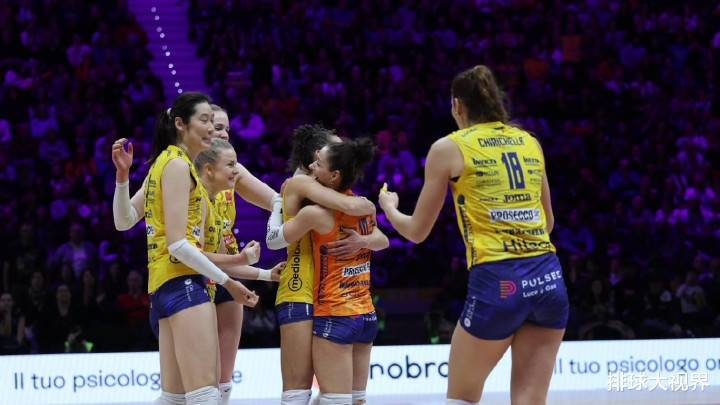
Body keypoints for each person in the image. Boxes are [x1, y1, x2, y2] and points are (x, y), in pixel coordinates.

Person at [378, 65, 568, 405]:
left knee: (462, 398)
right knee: (529, 399)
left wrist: (390, 208)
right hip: (548, 281)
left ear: (457, 106)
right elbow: (548, 223)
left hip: (498, 282)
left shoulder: (448, 147)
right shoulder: (530, 142)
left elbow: (417, 232)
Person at [113, 134, 283, 405]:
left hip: (178, 286)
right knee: (204, 393)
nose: (236, 170)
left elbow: (218, 258)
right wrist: (232, 275)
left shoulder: (211, 197)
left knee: (178, 397)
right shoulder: (184, 182)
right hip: (182, 286)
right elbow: (183, 249)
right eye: (210, 125)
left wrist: (264, 273)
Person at [268, 138, 389, 405]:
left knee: (332, 400)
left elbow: (273, 240)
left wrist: (278, 202)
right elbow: (384, 240)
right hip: (366, 313)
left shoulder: (314, 213)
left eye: (319, 163)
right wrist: (365, 238)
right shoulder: (362, 206)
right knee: (356, 400)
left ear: (334, 175)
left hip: (335, 311)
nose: (312, 166)